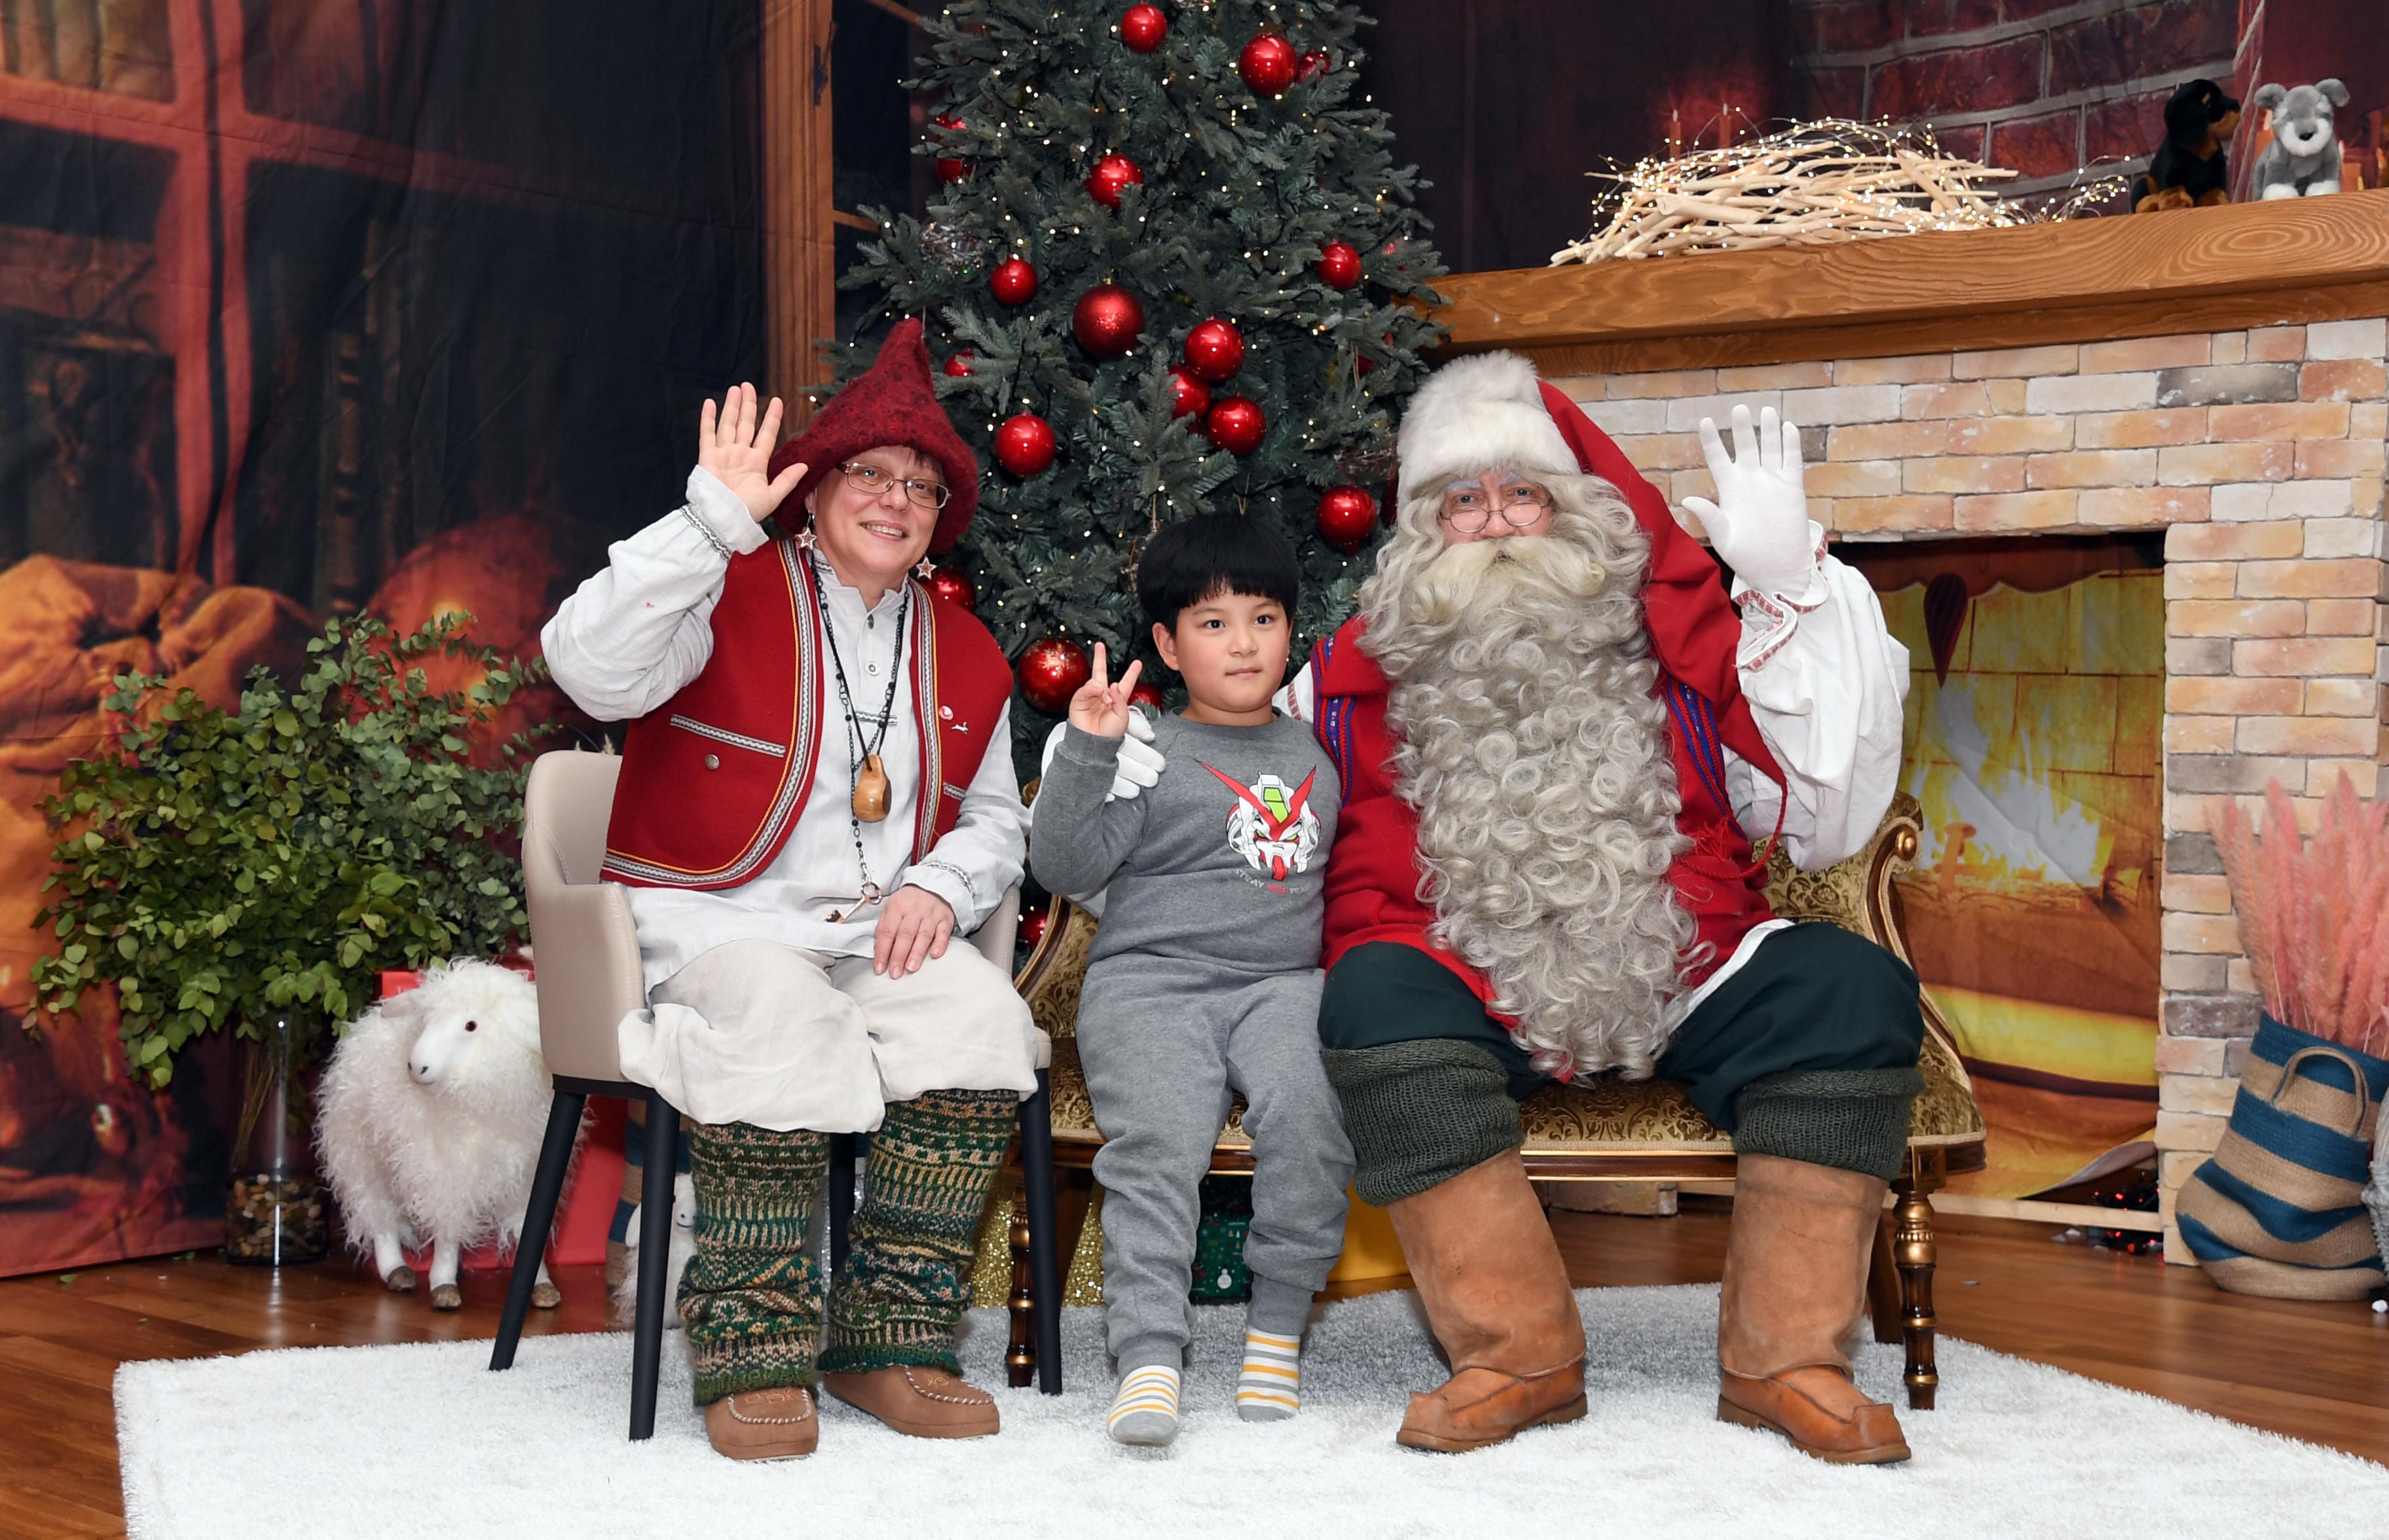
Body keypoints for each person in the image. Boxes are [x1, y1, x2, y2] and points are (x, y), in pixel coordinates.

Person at [1075, 351, 1919, 1463]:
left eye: (1525, 493)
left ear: (1579, 513)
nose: (1500, 523)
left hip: (1677, 958)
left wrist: (1789, 590)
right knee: (1371, 996)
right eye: (1464, 502)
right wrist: (1096, 757)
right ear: (1423, 533)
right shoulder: (1330, 681)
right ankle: (1516, 1354)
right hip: (1459, 968)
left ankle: (1787, 1361)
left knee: (1850, 986)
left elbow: (1826, 816)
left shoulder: (1681, 658)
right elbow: (1197, 765)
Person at [540, 321, 1037, 1461]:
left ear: (938, 521)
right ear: (812, 491)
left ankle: (886, 1341)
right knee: (781, 1013)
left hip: (874, 929)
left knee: (979, 1020)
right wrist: (710, 524)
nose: (894, 499)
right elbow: (586, 666)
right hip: (712, 919)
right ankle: (753, 1350)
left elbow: (998, 818)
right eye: (869, 472)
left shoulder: (967, 650)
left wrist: (944, 885)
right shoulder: (720, 585)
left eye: (920, 486)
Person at [1029, 514, 1354, 1449]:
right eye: (1212, 624)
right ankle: (1149, 1358)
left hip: (1286, 982)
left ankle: (1277, 1331)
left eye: (1262, 618)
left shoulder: (1318, 751)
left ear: (1290, 631)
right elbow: (1059, 863)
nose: (1243, 642)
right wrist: (1088, 749)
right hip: (1152, 983)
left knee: (1309, 1108)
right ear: (1167, 643)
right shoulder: (1147, 749)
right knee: (1157, 1145)